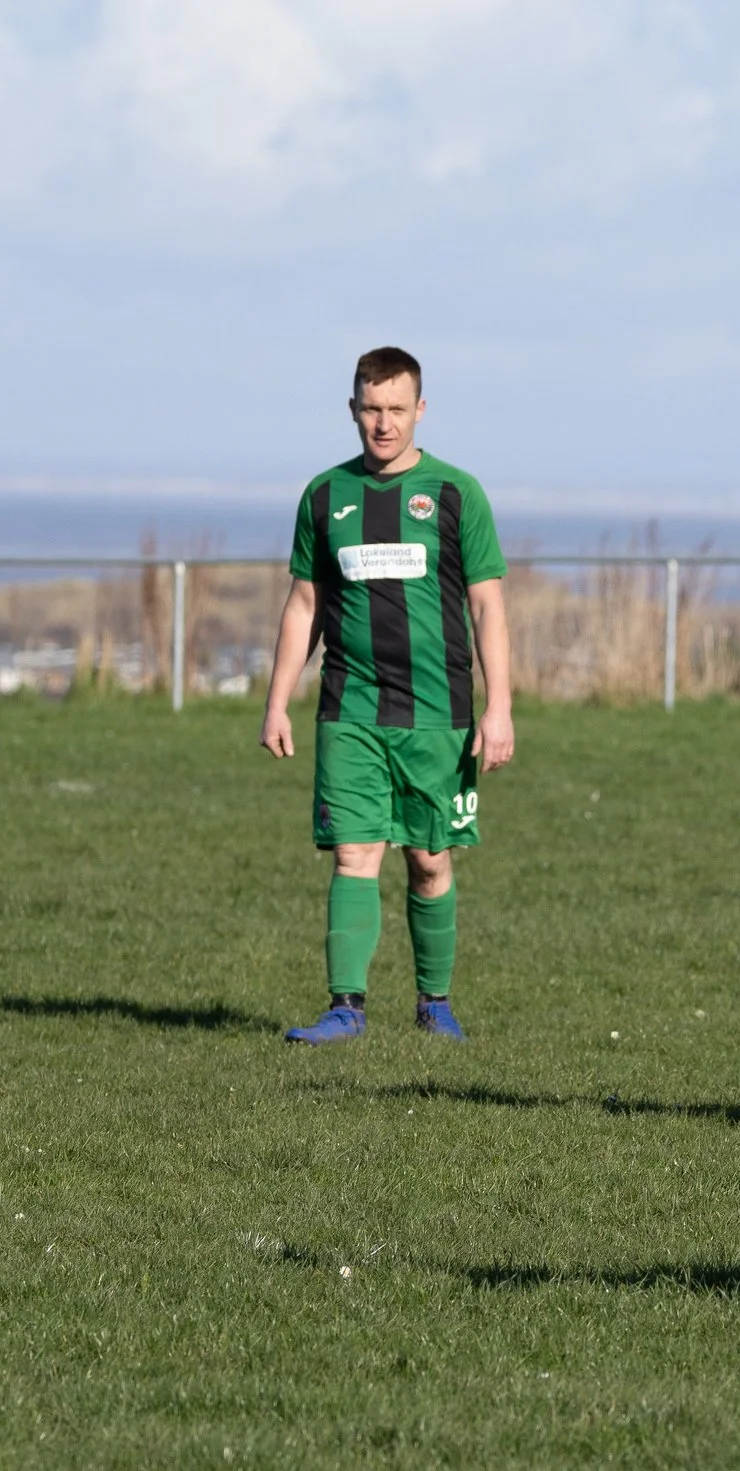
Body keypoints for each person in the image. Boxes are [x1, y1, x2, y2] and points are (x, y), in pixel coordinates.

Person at [260, 346, 515, 1043]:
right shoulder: (323, 496)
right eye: (371, 408)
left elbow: (490, 608)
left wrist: (500, 709)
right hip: (351, 710)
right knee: (355, 853)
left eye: (396, 409)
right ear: (353, 410)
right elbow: (303, 604)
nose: (383, 423)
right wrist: (278, 699)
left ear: (420, 410)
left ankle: (434, 1003)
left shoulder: (456, 494)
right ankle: (346, 1007)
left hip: (439, 714)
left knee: (430, 861)